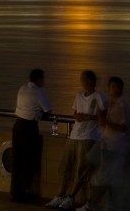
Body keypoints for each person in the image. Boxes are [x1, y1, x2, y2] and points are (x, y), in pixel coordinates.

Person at [46, 70, 106, 210]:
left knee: (81, 169)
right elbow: (75, 113)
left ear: (91, 81)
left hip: (89, 137)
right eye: (81, 79)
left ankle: (70, 197)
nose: (82, 82)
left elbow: (103, 118)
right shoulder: (79, 95)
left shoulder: (99, 96)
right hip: (74, 135)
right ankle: (60, 195)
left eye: (84, 79)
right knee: (65, 166)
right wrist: (78, 116)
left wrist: (89, 117)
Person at [77, 76, 130, 211]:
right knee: (104, 176)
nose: (114, 89)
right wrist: (101, 119)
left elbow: (123, 128)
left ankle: (92, 205)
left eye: (116, 87)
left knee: (103, 178)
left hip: (115, 147)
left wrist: (106, 122)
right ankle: (107, 205)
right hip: (106, 144)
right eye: (112, 87)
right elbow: (103, 123)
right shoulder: (110, 103)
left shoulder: (122, 105)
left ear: (121, 88)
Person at [11, 68, 53, 202]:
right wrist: (39, 113)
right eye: (43, 79)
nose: (44, 81)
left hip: (17, 125)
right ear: (39, 79)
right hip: (29, 127)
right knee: (29, 159)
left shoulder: (22, 88)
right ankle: (23, 191)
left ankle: (15, 190)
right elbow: (48, 110)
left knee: (17, 158)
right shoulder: (39, 91)